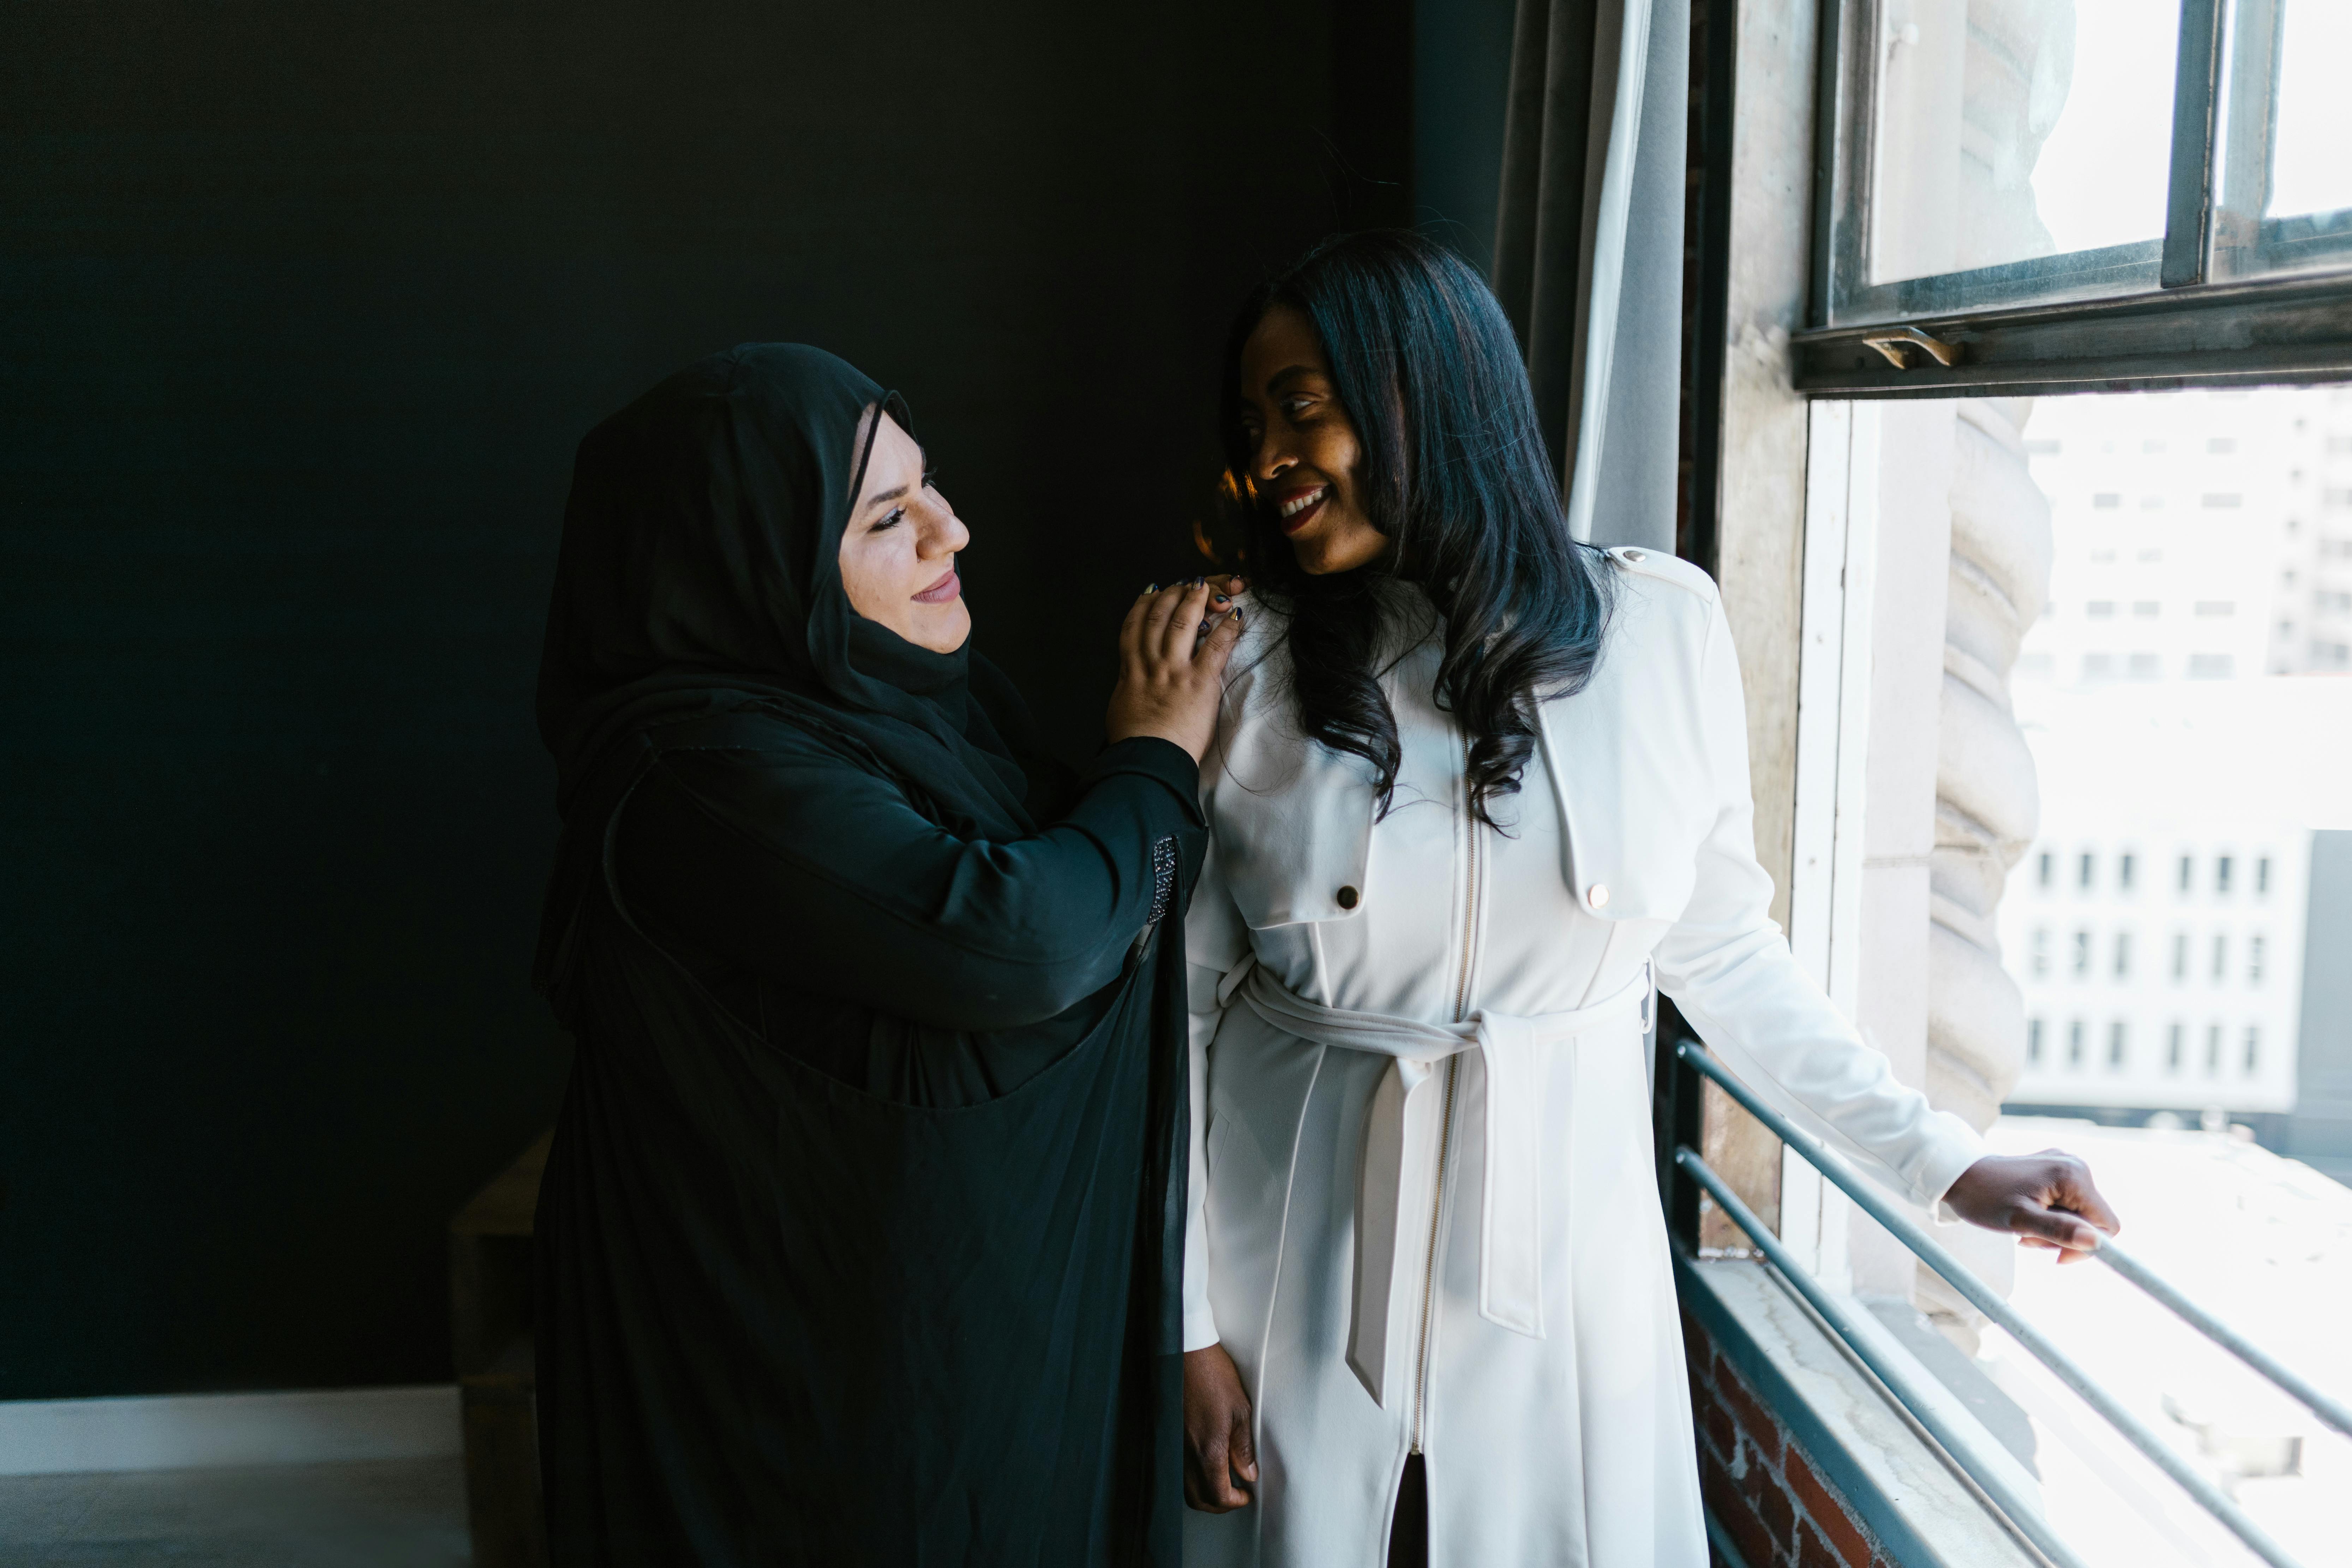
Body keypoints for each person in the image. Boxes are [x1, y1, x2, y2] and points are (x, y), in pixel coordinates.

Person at [1175, 234, 2120, 1568]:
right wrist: (1187, 1326)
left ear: (1425, 395)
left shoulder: (1658, 630)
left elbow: (1726, 953)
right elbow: (1183, 1018)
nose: (1267, 454)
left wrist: (1942, 1161)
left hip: (1564, 1298)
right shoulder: (1243, 665)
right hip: (1293, 1285)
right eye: (1255, 417)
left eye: (1305, 406)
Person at [529, 343, 1240, 1564]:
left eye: (932, 488)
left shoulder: (916, 714)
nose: (951, 533)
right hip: (800, 1403)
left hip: (934, 1358)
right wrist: (1158, 757)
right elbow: (1020, 941)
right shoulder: (702, 776)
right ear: (757, 565)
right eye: (887, 517)